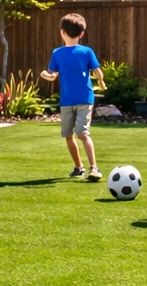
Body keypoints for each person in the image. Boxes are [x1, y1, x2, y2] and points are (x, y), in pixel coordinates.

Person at [40, 12, 106, 181]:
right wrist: (46, 75)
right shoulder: (57, 53)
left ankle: (94, 168)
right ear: (82, 33)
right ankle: (79, 168)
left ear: (62, 32)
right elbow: (53, 75)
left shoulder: (86, 52)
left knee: (82, 133)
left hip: (85, 99)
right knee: (68, 135)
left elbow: (96, 69)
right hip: (67, 101)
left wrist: (101, 79)